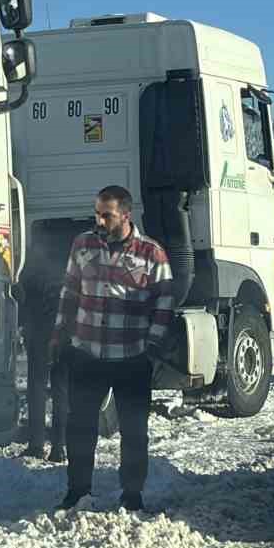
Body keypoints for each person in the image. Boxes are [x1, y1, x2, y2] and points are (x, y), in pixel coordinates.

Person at [50, 185, 176, 512]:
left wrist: (152, 348)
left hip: (131, 357)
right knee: (80, 428)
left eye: (107, 215)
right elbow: (69, 292)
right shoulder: (83, 245)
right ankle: (77, 491)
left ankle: (132, 494)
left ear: (126, 215)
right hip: (87, 354)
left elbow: (164, 303)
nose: (100, 221)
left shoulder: (151, 253)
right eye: (97, 214)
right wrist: (60, 336)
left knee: (134, 432)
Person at [19, 233, 69, 463]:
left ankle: (37, 444)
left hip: (40, 335)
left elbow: (25, 303)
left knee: (37, 390)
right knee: (61, 392)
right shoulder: (69, 273)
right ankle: (59, 447)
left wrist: (25, 329)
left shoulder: (31, 270)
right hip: (63, 337)